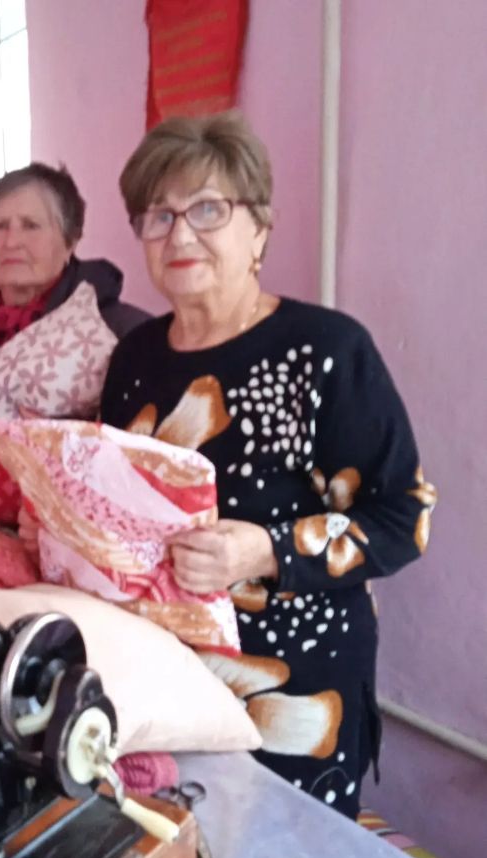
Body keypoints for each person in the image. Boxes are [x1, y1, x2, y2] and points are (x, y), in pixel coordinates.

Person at [99, 111, 436, 819]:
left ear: (259, 228)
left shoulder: (326, 350)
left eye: (207, 209)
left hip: (293, 689)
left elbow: (403, 519)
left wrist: (268, 550)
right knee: (170, 850)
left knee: (281, 856)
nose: (179, 235)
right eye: (157, 216)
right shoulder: (133, 359)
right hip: (162, 678)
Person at [0, 163, 149, 352]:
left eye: (31, 226)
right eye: (0, 226)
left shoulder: (126, 335)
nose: (11, 242)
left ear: (70, 242)